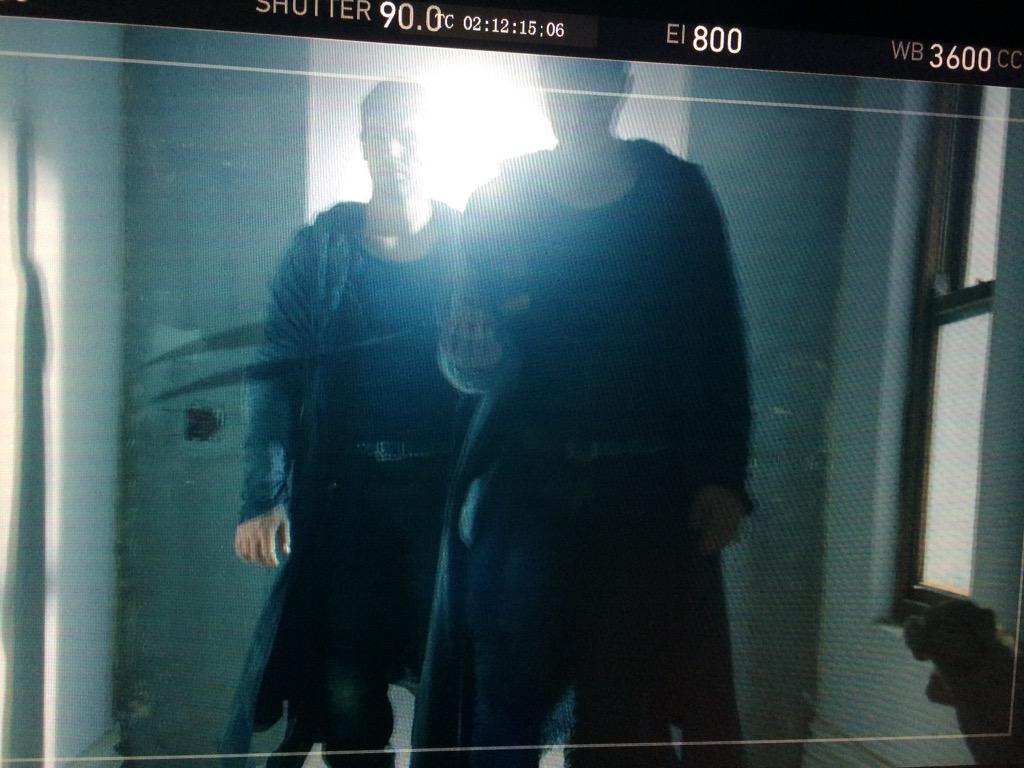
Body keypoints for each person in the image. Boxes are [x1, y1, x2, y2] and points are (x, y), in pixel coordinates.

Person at [412, 58, 752, 768]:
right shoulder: (499, 197)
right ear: (545, 85)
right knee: (505, 703)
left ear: (621, 85)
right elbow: (467, 353)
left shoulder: (675, 193)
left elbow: (717, 335)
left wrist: (723, 475)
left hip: (644, 492)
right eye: (564, 79)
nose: (577, 97)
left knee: (623, 712)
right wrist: (474, 357)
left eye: (593, 78)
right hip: (529, 486)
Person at [222, 81, 459, 768]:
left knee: (454, 679)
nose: (394, 150)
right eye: (379, 134)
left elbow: (509, 371)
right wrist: (262, 497)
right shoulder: (324, 248)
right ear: (361, 145)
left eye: (407, 133)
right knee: (349, 689)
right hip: (347, 494)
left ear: (433, 140)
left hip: (442, 495)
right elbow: (276, 373)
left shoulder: (471, 247)